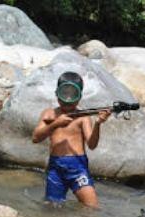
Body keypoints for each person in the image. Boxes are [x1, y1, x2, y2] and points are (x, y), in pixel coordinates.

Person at [32, 71, 110, 208]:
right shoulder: (49, 114)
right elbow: (35, 138)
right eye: (64, 95)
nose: (68, 100)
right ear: (57, 94)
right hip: (55, 168)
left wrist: (98, 124)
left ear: (79, 97)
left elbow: (92, 145)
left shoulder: (83, 117)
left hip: (78, 168)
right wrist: (56, 124)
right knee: (52, 208)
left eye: (72, 95)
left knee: (92, 207)